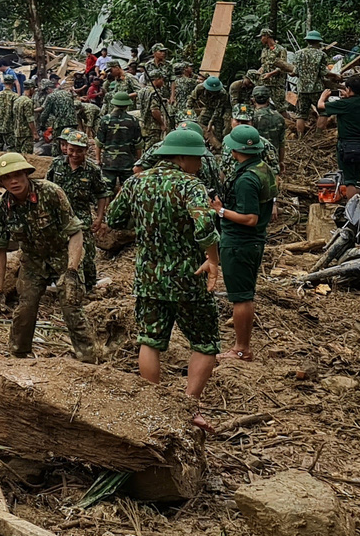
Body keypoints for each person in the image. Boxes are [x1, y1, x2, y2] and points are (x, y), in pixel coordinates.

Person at [104, 125, 222, 418]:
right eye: (198, 159)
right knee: (205, 343)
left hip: (148, 276)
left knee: (150, 340)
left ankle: (154, 406)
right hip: (189, 276)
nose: (200, 164)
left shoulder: (135, 183)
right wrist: (213, 259)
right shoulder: (190, 186)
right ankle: (190, 403)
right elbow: (204, 226)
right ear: (182, 158)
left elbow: (114, 218)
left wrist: (148, 224)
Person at [0, 151, 91, 360]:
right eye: (7, 177)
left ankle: (89, 358)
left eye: (17, 175)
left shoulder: (51, 193)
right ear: (1, 181)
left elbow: (75, 232)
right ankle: (19, 356)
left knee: (72, 306)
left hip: (63, 254)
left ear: (27, 173)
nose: (13, 181)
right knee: (25, 309)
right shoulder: (2, 208)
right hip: (32, 260)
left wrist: (72, 270)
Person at [213, 123, 275, 363]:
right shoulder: (262, 168)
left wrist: (221, 211)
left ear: (234, 150)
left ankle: (241, 349)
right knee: (244, 295)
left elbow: (250, 218)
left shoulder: (246, 180)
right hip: (250, 242)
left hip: (241, 241)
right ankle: (242, 346)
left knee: (241, 296)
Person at [48, 129, 108, 294]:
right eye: (71, 149)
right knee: (59, 249)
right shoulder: (57, 164)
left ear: (86, 150)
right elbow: (47, 188)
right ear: (66, 147)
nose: (74, 154)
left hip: (81, 216)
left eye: (79, 151)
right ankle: (59, 282)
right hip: (58, 216)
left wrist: (100, 217)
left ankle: (89, 285)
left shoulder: (92, 170)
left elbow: (102, 194)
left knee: (86, 252)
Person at [316, 73, 360, 199]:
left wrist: (323, 97)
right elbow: (354, 107)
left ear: (348, 89)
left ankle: (353, 207)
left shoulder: (344, 105)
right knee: (357, 177)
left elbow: (320, 106)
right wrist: (347, 98)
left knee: (349, 180)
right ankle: (359, 203)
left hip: (347, 145)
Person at [96, 94, 143, 197]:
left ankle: (106, 210)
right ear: (127, 105)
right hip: (127, 161)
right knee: (127, 188)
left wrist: (98, 159)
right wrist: (139, 161)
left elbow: (99, 142)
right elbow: (138, 144)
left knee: (107, 189)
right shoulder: (133, 121)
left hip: (109, 161)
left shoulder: (105, 120)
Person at [288, 30, 328, 137]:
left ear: (307, 41)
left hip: (302, 89)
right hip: (317, 89)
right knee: (324, 111)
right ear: (319, 42)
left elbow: (295, 72)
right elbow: (324, 72)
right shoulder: (321, 54)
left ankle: (300, 137)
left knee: (301, 114)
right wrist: (335, 76)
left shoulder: (298, 54)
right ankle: (318, 135)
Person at [187, 74, 231, 150]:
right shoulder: (200, 88)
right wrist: (189, 112)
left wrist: (211, 121)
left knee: (218, 128)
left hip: (220, 110)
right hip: (208, 107)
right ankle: (200, 143)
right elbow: (191, 99)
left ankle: (217, 147)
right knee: (200, 123)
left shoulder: (223, 93)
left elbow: (218, 109)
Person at [248, 86, 288, 166]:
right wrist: (280, 161)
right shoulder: (279, 117)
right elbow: (282, 143)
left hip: (255, 160)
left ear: (253, 100)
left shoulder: (250, 118)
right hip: (273, 159)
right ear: (269, 99)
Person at [37, 76, 77, 146]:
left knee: (57, 143)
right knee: (71, 141)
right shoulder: (67, 93)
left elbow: (46, 112)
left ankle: (57, 155)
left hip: (61, 123)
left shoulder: (51, 96)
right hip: (73, 121)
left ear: (49, 89)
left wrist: (42, 124)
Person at [256, 28, 290, 99]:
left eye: (262, 37)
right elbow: (264, 65)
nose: (261, 39)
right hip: (265, 83)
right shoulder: (265, 50)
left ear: (267, 36)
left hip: (277, 84)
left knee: (280, 105)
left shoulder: (280, 49)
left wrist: (270, 74)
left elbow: (283, 67)